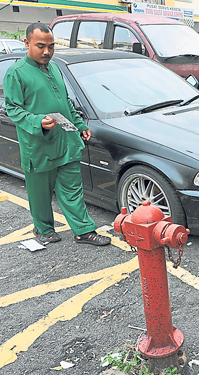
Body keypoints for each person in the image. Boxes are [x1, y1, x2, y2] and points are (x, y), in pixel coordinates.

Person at [3, 22, 111, 246]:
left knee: (73, 189)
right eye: (41, 46)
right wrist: (37, 121)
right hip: (39, 144)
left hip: (66, 141)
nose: (46, 52)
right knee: (40, 193)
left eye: (51, 47)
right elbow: (13, 108)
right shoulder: (16, 73)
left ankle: (84, 230)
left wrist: (80, 125)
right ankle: (43, 229)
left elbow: (66, 103)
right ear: (27, 43)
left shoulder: (54, 68)